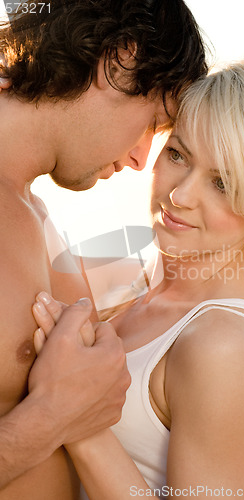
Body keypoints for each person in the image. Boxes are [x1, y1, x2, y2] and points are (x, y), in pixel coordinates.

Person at [32, 61, 244, 499]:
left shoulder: (226, 346)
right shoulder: (128, 280)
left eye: (222, 183)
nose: (180, 195)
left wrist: (77, 419)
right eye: (178, 154)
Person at [0, 0, 207, 497]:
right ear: (121, 58)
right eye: (154, 122)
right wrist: (50, 419)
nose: (141, 159)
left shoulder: (33, 213)